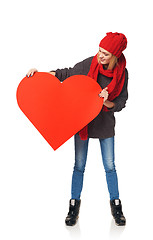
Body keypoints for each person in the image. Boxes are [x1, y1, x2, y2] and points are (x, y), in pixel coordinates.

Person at [26, 32, 128, 227]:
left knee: (110, 167)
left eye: (105, 53)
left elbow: (121, 102)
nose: (100, 56)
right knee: (79, 166)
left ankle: (116, 206)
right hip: (82, 123)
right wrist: (39, 75)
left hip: (105, 125)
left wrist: (105, 101)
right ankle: (74, 206)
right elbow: (66, 73)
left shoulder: (123, 74)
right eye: (99, 50)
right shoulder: (90, 64)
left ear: (115, 55)